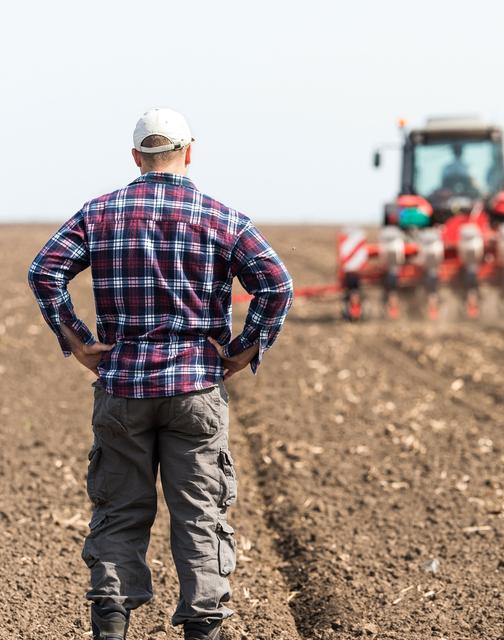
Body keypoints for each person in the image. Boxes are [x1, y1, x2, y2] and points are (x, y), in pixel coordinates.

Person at [27, 108, 294, 640]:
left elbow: (45, 271)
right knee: (200, 514)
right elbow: (277, 285)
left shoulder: (100, 213)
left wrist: (77, 340)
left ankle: (110, 626)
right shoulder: (221, 217)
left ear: (136, 158)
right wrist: (243, 350)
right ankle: (203, 628)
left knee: (119, 510)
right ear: (189, 152)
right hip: (196, 388)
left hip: (122, 389)